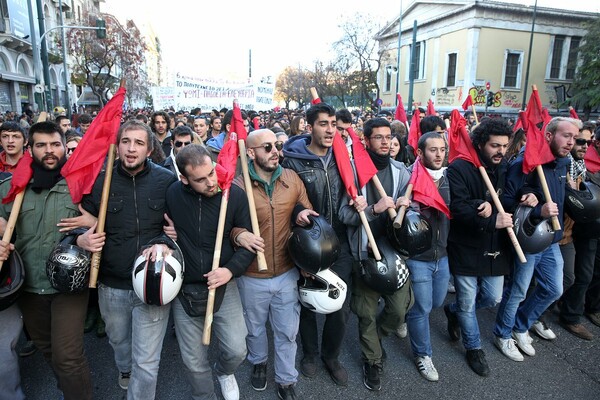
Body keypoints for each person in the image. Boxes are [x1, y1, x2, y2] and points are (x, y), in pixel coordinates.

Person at [0, 121, 99, 400]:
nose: (50, 151)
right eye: (41, 145)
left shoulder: (83, 185)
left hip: (68, 285)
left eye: (55, 144)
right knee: (48, 350)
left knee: (67, 356)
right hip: (28, 286)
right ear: (30, 149)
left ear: (64, 145)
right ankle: (70, 387)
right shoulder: (14, 187)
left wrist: (91, 224)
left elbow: (106, 221)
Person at [80, 120, 177, 398]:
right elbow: (79, 222)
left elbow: (180, 224)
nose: (131, 149)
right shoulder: (101, 182)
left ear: (149, 149)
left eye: (138, 143)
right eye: (125, 142)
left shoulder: (165, 180)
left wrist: (169, 238)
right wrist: (80, 238)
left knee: (146, 363)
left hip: (153, 282)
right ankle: (124, 368)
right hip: (112, 284)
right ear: (117, 146)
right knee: (120, 344)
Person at [166, 144, 255, 400]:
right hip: (185, 288)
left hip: (224, 285)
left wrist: (230, 270)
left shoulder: (234, 196)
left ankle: (225, 372)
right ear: (184, 179)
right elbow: (157, 228)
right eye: (200, 179)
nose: (211, 182)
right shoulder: (172, 194)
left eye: (212, 173)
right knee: (193, 361)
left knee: (238, 349)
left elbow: (249, 242)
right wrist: (165, 235)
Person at [233, 129, 315, 399]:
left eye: (277, 146)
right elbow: (224, 226)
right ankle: (258, 362)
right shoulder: (238, 184)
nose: (275, 152)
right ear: (251, 153)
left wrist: (302, 212)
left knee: (287, 331)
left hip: (287, 271)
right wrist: (238, 234)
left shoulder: (291, 178)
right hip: (251, 273)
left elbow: (307, 211)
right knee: (254, 328)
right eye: (267, 147)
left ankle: (286, 379)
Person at [494, 117, 579, 361]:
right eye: (566, 136)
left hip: (552, 238)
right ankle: (503, 333)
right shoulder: (525, 162)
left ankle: (521, 325)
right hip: (529, 238)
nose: (571, 142)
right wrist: (537, 210)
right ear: (549, 136)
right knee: (518, 290)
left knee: (554, 288)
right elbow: (507, 201)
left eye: (574, 137)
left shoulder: (563, 163)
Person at [282, 102, 354, 386]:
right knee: (309, 301)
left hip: (341, 243)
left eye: (333, 124)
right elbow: (284, 202)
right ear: (309, 127)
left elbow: (353, 193)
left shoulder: (343, 158)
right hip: (309, 244)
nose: (329, 129)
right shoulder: (292, 161)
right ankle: (310, 355)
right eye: (323, 124)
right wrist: (296, 213)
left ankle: (331, 356)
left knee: (340, 304)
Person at [338, 117, 413, 391]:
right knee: (366, 313)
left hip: (395, 254)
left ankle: (375, 340)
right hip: (365, 255)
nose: (385, 142)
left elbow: (412, 212)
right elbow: (344, 214)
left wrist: (407, 207)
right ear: (366, 140)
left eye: (388, 137)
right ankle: (372, 359)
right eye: (378, 137)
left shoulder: (401, 171)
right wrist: (373, 209)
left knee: (398, 310)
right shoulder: (352, 173)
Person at [444, 118, 514, 376]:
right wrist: (479, 208)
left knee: (492, 296)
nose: (501, 151)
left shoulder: (504, 167)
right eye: (495, 145)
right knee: (466, 300)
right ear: (481, 143)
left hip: (495, 245)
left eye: (505, 146)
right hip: (466, 245)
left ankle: (452, 312)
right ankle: (474, 348)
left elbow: (511, 195)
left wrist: (532, 196)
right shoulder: (459, 167)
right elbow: (456, 206)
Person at [405, 131, 451, 382]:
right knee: (422, 308)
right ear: (420, 153)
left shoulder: (449, 177)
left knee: (435, 303)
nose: (439, 154)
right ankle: (423, 355)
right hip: (419, 257)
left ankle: (404, 315)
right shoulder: (409, 177)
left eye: (442, 150)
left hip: (441, 254)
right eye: (433, 150)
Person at [558, 121, 596, 340]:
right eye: (579, 141)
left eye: (587, 142)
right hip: (561, 234)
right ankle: (536, 316)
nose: (583, 146)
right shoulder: (561, 166)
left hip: (582, 231)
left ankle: (569, 315)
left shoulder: (582, 168)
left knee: (579, 276)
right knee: (561, 279)